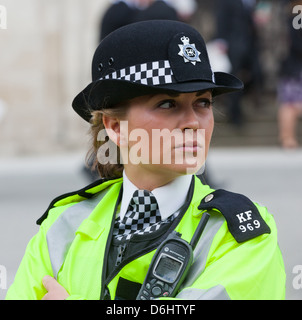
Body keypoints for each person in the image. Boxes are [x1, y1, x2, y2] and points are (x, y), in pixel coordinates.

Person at [6, 20, 286, 300]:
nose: (193, 122)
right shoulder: (64, 222)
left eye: (203, 102)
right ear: (115, 127)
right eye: (167, 104)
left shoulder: (240, 231)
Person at [277, 0, 302, 149]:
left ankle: (287, 137)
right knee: (291, 105)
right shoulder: (297, 15)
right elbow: (296, 43)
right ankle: (287, 138)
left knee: (289, 104)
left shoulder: (290, 13)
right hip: (294, 68)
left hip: (290, 67)